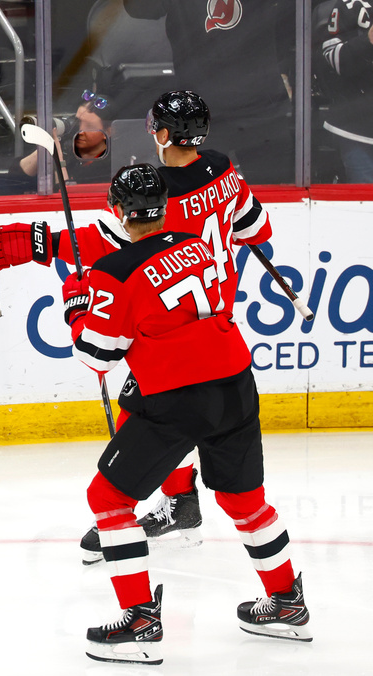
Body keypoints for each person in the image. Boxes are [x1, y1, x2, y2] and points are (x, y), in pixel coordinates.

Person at [0, 90, 272, 564]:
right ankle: (180, 502)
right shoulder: (222, 167)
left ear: (162, 133)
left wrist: (35, 242)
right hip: (214, 306)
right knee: (148, 398)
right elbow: (257, 229)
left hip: (165, 308)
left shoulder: (161, 191)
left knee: (160, 402)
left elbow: (106, 242)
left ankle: (153, 507)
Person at [56, 163, 311, 664]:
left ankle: (140, 623)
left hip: (177, 397)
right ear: (166, 206)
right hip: (236, 384)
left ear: (118, 212)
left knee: (107, 497)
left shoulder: (116, 270)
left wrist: (76, 306)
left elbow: (97, 356)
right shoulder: (202, 246)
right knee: (245, 502)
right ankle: (286, 603)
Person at [122, 0, 294, 185]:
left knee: (274, 202)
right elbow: (140, 7)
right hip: (200, 117)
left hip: (263, 112)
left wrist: (290, 69)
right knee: (200, 199)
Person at [320, 0, 373, 183]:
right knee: (362, 211)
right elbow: (333, 59)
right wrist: (367, 41)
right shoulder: (354, 0)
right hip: (358, 127)